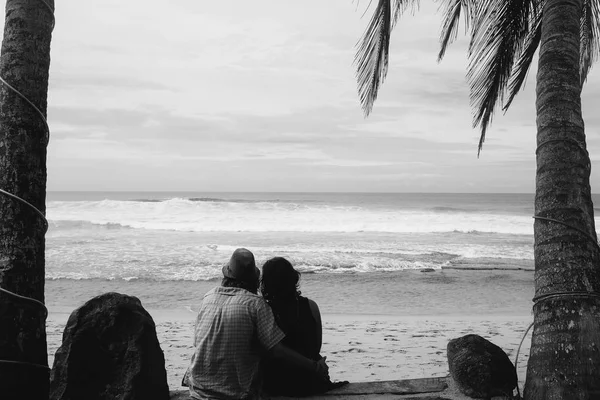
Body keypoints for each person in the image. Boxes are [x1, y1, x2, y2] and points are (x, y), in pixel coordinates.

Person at [186, 248, 329, 400]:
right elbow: (277, 350)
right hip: (234, 394)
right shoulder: (256, 305)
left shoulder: (208, 297)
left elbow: (197, 342)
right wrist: (315, 367)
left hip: (197, 390)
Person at [260, 257, 347, 396]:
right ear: (293, 278)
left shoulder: (263, 310)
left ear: (266, 283)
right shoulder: (311, 306)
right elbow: (316, 346)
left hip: (277, 383)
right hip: (309, 381)